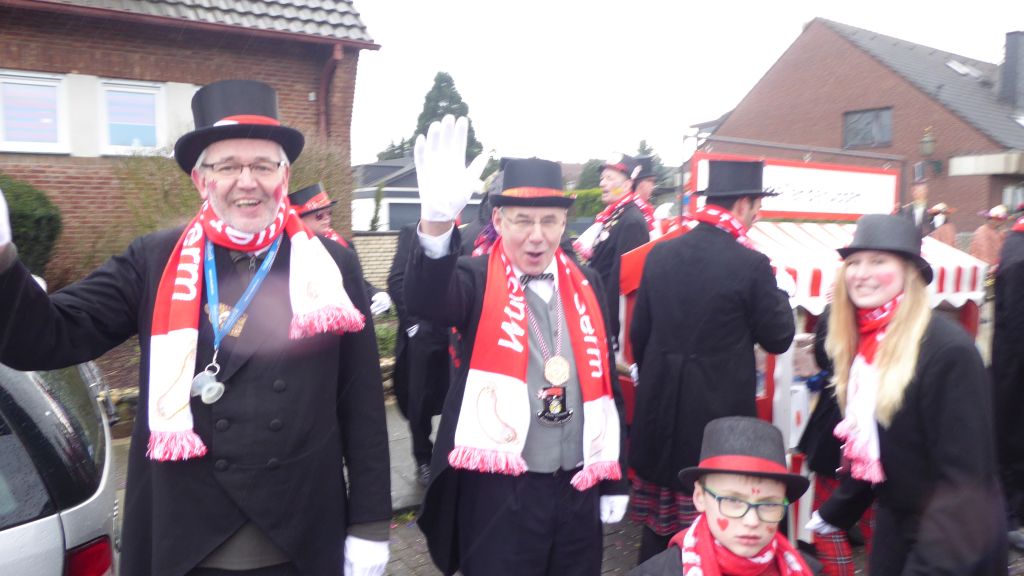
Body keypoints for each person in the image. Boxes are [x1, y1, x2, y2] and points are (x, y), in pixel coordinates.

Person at [0, 79, 391, 576]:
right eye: (227, 166)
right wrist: (3, 262)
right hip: (187, 538)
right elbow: (46, 338)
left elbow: (361, 402)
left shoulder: (332, 264)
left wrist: (371, 525)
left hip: (300, 530)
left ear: (285, 175)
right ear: (201, 180)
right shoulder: (153, 258)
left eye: (262, 165)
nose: (246, 182)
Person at [405, 115, 628, 576]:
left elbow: (606, 382)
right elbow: (425, 298)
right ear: (498, 221)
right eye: (523, 220)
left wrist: (616, 478)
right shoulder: (473, 278)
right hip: (502, 491)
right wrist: (436, 225)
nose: (537, 235)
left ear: (564, 222)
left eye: (549, 221)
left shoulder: (587, 281)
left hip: (578, 487)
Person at [806, 214, 1007, 575]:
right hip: (898, 523)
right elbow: (872, 447)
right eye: (854, 263)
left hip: (951, 541)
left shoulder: (948, 352)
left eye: (878, 261)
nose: (862, 273)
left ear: (909, 273)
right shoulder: (866, 342)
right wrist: (837, 510)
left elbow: (965, 485)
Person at [629, 159, 796, 564]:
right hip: (714, 426)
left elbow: (639, 335)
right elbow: (779, 337)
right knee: (710, 530)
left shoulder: (661, 253)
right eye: (757, 206)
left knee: (658, 530)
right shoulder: (752, 264)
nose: (756, 216)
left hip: (660, 413)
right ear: (742, 204)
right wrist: (780, 291)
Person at [629, 416, 815, 575]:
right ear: (700, 497)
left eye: (769, 504)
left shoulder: (807, 569)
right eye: (732, 500)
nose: (752, 521)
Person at [797, 306, 875, 576]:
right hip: (884, 428)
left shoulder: (840, 306)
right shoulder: (909, 313)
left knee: (826, 520)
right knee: (877, 526)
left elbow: (823, 356)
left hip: (839, 424)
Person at [388, 222, 453, 486]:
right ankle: (423, 458)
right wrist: (412, 323)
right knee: (420, 400)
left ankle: (450, 455)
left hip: (453, 330)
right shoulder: (411, 233)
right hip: (423, 333)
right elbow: (396, 279)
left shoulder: (461, 234)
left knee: (454, 396)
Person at [573, 153, 652, 351]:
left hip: (609, 325)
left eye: (609, 178)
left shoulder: (632, 222)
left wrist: (610, 330)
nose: (602, 183)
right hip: (597, 311)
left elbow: (622, 284)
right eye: (602, 178)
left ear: (627, 185)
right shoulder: (614, 216)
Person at [288, 182, 392, 316]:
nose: (327, 218)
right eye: (319, 215)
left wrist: (376, 293)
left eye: (329, 213)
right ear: (298, 219)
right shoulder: (288, 251)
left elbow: (357, 284)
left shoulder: (344, 247)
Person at [993, 206, 1024, 551]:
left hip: (1013, 368)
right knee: (1013, 443)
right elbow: (1018, 328)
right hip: (1015, 372)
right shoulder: (1019, 257)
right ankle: (1008, 518)